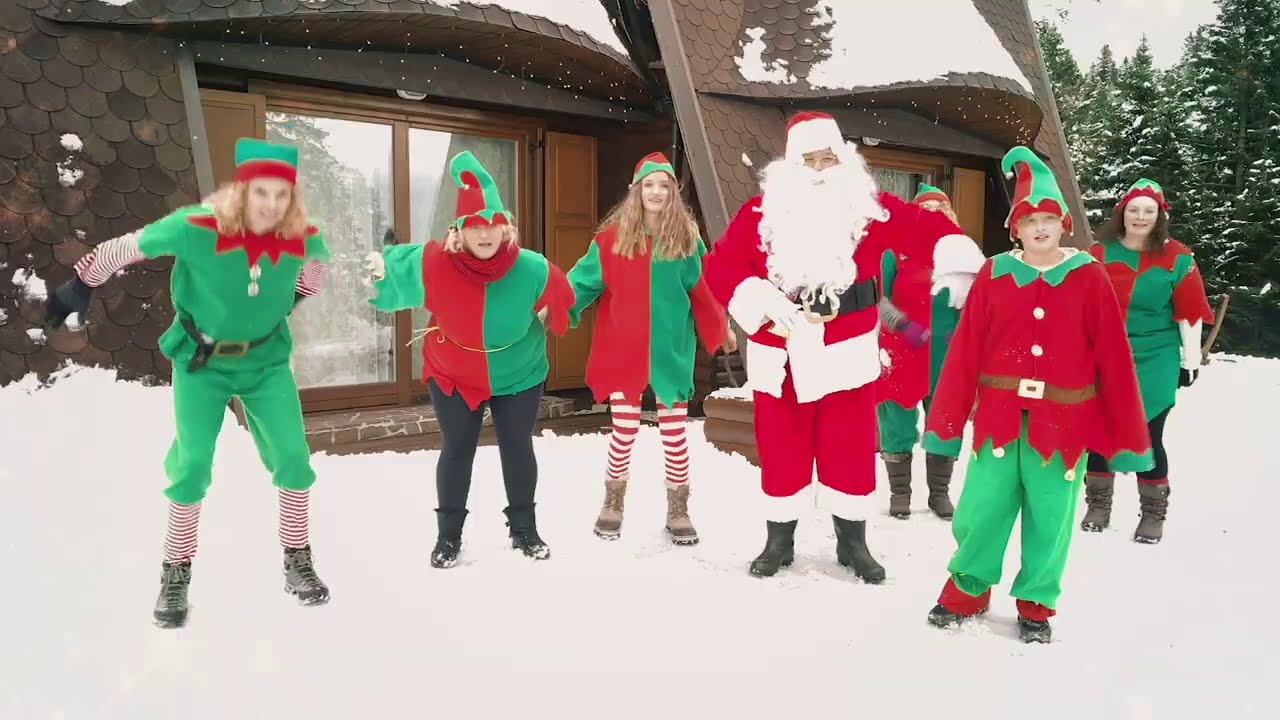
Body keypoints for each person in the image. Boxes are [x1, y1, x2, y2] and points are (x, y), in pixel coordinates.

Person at [44, 137, 333, 629]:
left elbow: (315, 276)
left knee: (293, 457)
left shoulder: (304, 236)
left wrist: (275, 302)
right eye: (261, 193)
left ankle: (297, 559)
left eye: (281, 195)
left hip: (265, 363)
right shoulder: (196, 226)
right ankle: (175, 572)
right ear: (242, 191)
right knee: (193, 464)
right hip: (202, 362)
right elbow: (128, 246)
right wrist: (81, 283)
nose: (271, 205)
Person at [702, 111, 985, 582]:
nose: (818, 170)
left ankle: (853, 542)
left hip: (846, 353)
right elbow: (722, 265)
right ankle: (779, 540)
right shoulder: (759, 214)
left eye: (827, 159)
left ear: (844, 161)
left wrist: (958, 265)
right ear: (790, 166)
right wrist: (762, 299)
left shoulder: (869, 210)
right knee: (782, 449)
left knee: (849, 449)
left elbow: (926, 228)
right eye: (808, 160)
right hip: (783, 351)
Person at [924, 147, 1152, 643]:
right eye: (1030, 220)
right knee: (983, 505)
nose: (1041, 228)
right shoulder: (995, 273)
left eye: (1049, 219)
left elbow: (1113, 355)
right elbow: (965, 352)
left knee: (1051, 514)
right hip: (999, 418)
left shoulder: (1088, 276)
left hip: (1063, 422)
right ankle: (967, 589)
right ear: (1017, 228)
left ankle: (1036, 603)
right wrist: (945, 425)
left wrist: (1126, 430)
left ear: (1063, 224)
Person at [366, 150, 575, 569]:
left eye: (492, 224)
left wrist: (554, 313)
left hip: (519, 371)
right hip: (454, 372)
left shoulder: (532, 267)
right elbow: (399, 265)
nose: (484, 233)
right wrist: (381, 268)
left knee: (517, 447)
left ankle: (524, 529)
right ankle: (448, 536)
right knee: (457, 449)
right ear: (459, 230)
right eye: (474, 224)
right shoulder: (436, 262)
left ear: (505, 227)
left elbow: (562, 296)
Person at [567, 152, 731, 545]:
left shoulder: (686, 241)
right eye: (649, 185)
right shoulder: (611, 240)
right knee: (623, 432)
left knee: (674, 435)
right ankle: (613, 501)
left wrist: (720, 327)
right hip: (623, 349)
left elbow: (704, 290)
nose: (656, 192)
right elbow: (582, 282)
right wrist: (556, 306)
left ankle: (678, 509)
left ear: (673, 192)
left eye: (664, 186)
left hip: (670, 350)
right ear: (636, 191)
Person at [1081, 179, 1215, 543]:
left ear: (1160, 216)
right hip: (1105, 354)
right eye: (1134, 209)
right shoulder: (1098, 253)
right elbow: (1080, 306)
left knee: (1149, 432)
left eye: (1149, 211)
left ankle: (1154, 512)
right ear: (1122, 213)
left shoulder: (1179, 258)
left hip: (1156, 357)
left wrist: (1190, 360)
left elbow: (1190, 313)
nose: (1140, 217)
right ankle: (1098, 505)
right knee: (1100, 429)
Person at [876, 183, 977, 520]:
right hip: (903, 350)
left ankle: (939, 494)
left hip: (947, 355)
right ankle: (900, 493)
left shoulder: (965, 256)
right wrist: (904, 327)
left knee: (945, 421)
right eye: (926, 208)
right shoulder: (894, 252)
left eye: (940, 207)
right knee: (897, 422)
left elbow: (978, 306)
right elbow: (879, 301)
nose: (934, 213)